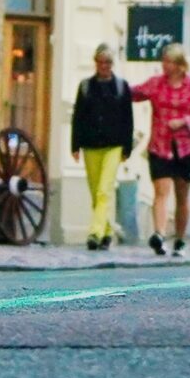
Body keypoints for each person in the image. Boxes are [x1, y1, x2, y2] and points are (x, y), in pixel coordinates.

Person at [130, 44, 190, 256]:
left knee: (182, 195)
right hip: (160, 145)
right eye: (163, 61)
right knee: (161, 191)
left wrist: (184, 121)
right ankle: (159, 234)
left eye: (168, 61)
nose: (164, 65)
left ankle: (180, 240)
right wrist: (116, 87)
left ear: (180, 65)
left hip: (187, 147)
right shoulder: (156, 84)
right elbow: (136, 93)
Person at [70, 44, 135, 252]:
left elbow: (128, 119)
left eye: (108, 62)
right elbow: (77, 117)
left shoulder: (121, 87)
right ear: (95, 63)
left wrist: (127, 147)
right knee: (95, 190)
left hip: (113, 145)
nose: (104, 66)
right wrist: (75, 145)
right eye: (101, 62)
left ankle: (94, 233)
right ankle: (107, 232)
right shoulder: (85, 87)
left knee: (104, 190)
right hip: (90, 144)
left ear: (112, 64)